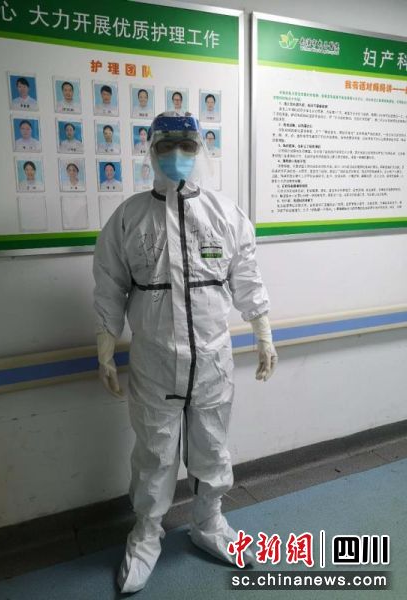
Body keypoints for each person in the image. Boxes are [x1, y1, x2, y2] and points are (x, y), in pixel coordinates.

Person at [93, 113, 278, 594]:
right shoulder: (129, 218)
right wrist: (105, 343)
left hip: (212, 361)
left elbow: (247, 276)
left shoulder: (225, 214)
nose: (177, 155)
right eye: (166, 146)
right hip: (155, 361)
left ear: (200, 150)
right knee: (154, 453)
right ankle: (146, 533)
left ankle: (209, 522)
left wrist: (263, 332)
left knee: (212, 445)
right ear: (151, 150)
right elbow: (110, 284)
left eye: (187, 146)